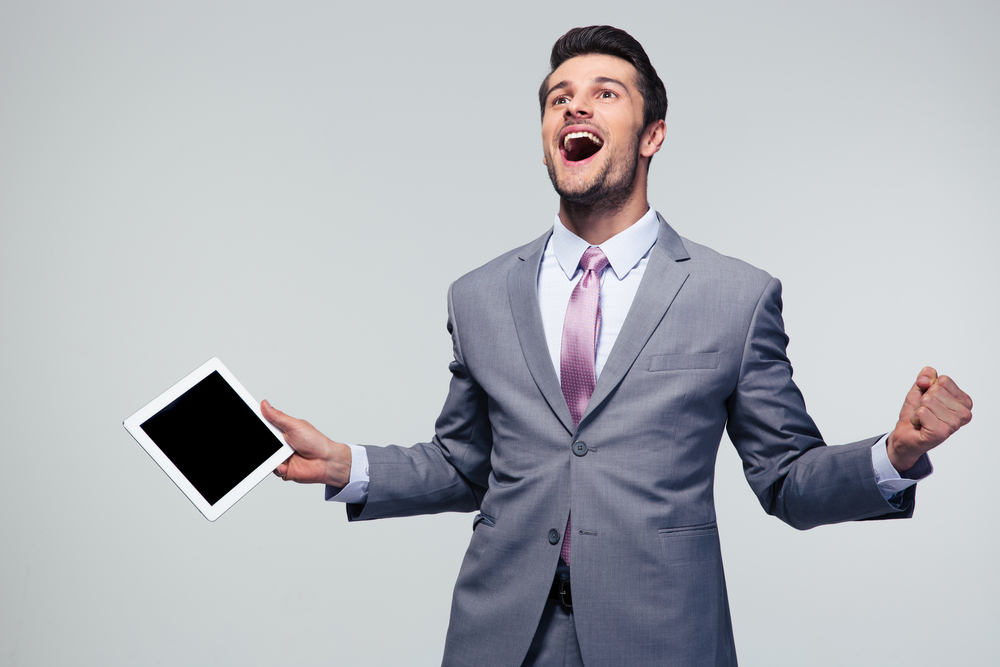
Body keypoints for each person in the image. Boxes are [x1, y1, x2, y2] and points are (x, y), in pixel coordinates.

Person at [260, 25, 972, 667]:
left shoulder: (734, 295)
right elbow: (465, 462)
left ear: (653, 133)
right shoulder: (476, 295)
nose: (575, 108)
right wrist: (346, 465)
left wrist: (896, 454)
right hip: (499, 639)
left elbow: (786, 476)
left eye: (604, 93)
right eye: (558, 98)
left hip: (661, 639)